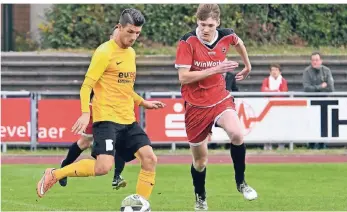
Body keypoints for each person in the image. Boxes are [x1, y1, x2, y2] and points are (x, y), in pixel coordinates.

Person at [36, 9, 166, 202]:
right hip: (106, 119)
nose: (134, 37)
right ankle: (55, 174)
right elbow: (86, 85)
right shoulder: (104, 52)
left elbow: (125, 87)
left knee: (150, 159)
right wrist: (84, 113)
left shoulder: (130, 53)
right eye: (130, 31)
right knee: (103, 167)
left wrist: (142, 102)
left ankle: (141, 204)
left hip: (127, 118)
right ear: (119, 27)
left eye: (138, 33)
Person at [175, 4, 257, 210]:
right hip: (195, 106)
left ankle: (241, 183)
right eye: (202, 24)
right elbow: (183, 77)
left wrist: (248, 66)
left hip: (220, 99)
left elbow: (239, 43)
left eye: (210, 25)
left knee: (237, 134)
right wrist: (216, 68)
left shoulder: (226, 35)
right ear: (197, 22)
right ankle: (200, 196)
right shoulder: (187, 42)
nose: (205, 29)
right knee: (200, 162)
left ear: (217, 23)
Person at [58, 26, 127, 190]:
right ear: (111, 37)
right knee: (84, 141)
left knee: (122, 140)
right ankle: (64, 167)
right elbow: (89, 84)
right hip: (98, 107)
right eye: (116, 36)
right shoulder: (103, 54)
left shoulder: (126, 55)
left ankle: (117, 176)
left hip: (116, 109)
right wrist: (86, 110)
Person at [303, 52, 334, 149]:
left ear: (321, 61)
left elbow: (330, 88)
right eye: (313, 60)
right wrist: (320, 86)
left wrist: (315, 88)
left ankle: (322, 144)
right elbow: (307, 88)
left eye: (317, 60)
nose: (315, 62)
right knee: (312, 123)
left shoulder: (327, 70)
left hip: (324, 100)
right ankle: (311, 144)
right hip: (312, 101)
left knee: (324, 123)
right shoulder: (307, 71)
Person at [261, 64, 288, 150]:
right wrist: (276, 91)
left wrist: (270, 92)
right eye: (272, 70)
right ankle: (267, 144)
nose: (274, 71)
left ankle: (281, 144)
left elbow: (283, 93)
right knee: (267, 125)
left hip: (280, 107)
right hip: (268, 108)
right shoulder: (266, 80)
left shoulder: (283, 81)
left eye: (276, 69)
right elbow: (263, 91)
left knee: (280, 125)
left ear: (279, 71)